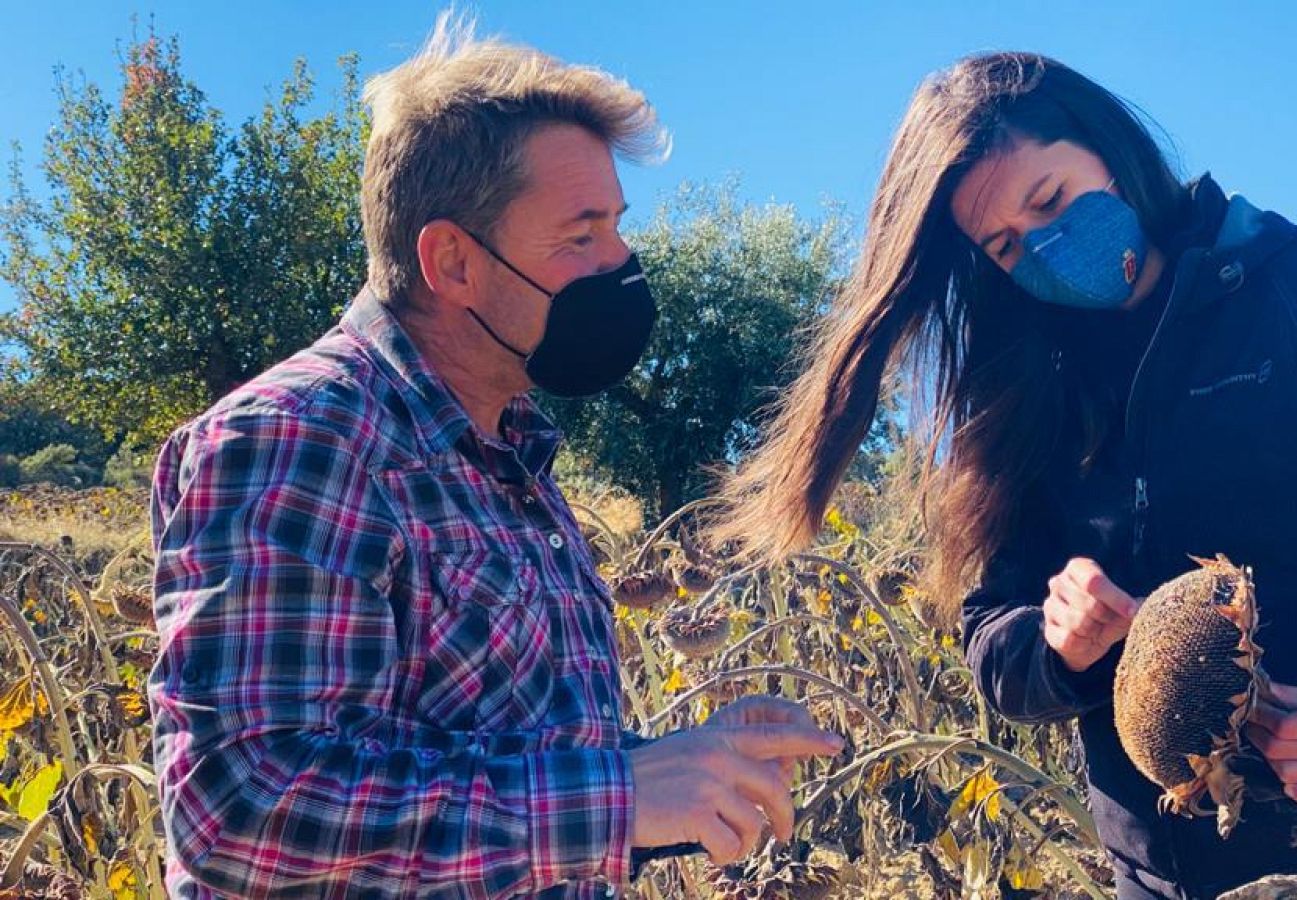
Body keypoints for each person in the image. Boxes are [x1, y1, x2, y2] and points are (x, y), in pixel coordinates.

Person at [712, 52, 1297, 898]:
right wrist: (1057, 643)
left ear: (1111, 149)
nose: (1046, 247)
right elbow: (991, 638)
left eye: (1051, 199)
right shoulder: (1025, 397)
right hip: (1163, 871)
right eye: (1008, 246)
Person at [148, 16, 841, 898]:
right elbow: (243, 804)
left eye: (617, 227)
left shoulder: (508, 458)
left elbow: (498, 766)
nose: (622, 262)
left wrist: (681, 770)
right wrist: (621, 797)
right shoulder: (299, 437)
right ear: (452, 262)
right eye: (580, 234)